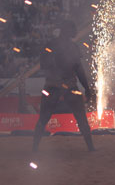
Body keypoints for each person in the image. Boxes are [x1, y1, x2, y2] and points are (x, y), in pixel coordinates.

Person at [32, 20, 95, 152]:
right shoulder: (72, 47)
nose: (76, 32)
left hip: (52, 85)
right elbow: (79, 70)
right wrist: (87, 89)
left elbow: (43, 65)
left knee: (43, 118)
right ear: (67, 31)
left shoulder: (50, 45)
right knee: (81, 118)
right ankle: (91, 147)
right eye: (73, 29)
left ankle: (34, 148)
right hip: (69, 85)